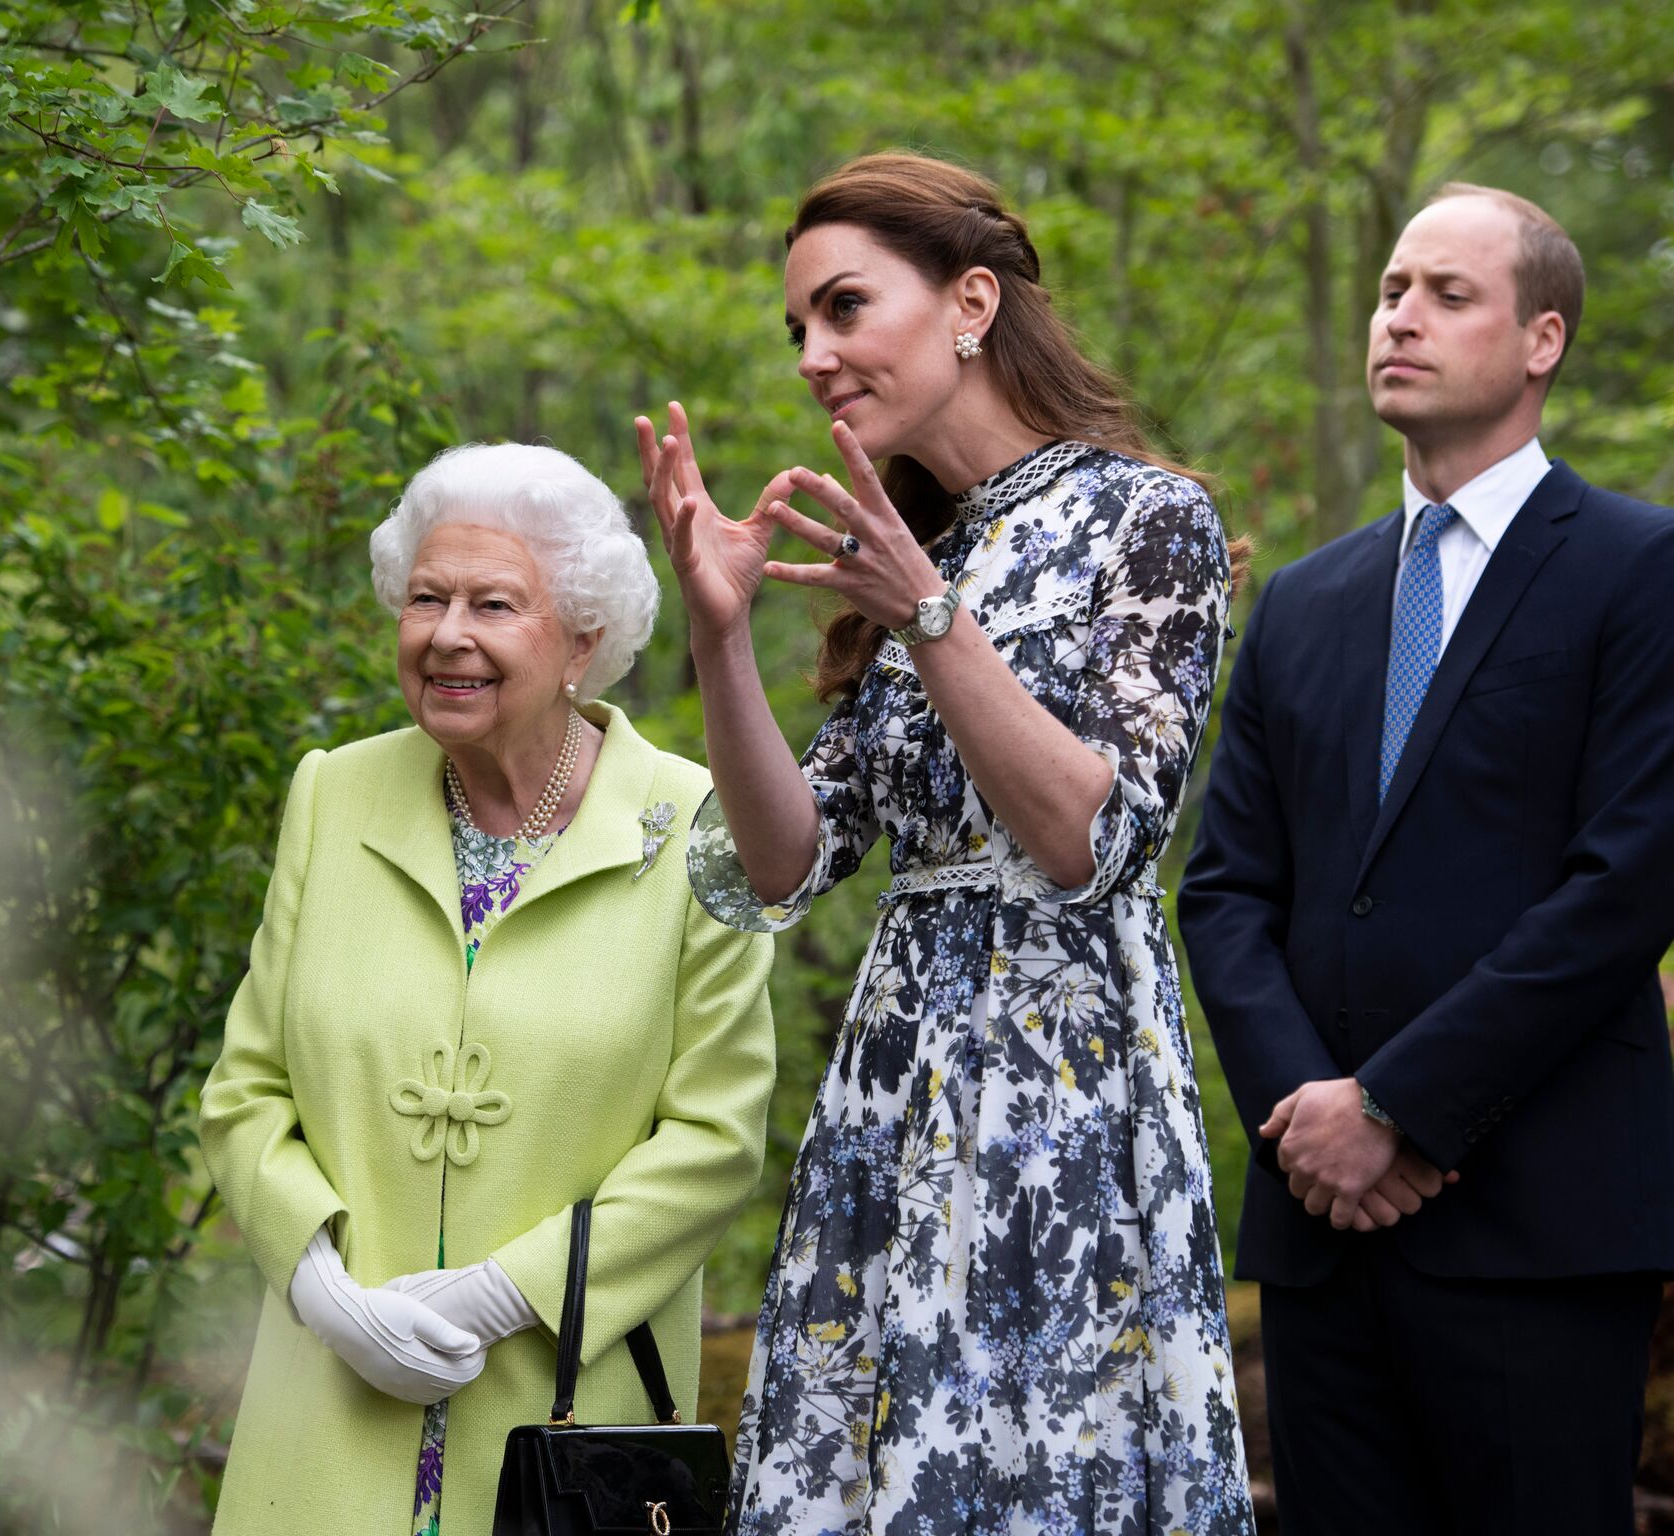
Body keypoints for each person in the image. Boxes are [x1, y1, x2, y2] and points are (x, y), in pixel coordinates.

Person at [639, 152, 1255, 1535]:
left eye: (844, 308)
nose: (812, 354)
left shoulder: (1148, 521)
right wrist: (720, 631)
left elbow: (1088, 838)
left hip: (1062, 1106)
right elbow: (784, 864)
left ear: (971, 301)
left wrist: (932, 617)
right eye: (795, 328)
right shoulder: (916, 551)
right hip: (894, 1085)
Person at [1180, 183, 1674, 1533]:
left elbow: (1626, 883)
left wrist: (1396, 1107)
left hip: (1542, 1220)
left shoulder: (1642, 568)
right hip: (1323, 1231)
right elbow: (1227, 890)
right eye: (1393, 289)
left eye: (1447, 294)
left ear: (1542, 341)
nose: (1399, 315)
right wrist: (1311, 1121)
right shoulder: (1303, 601)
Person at [198, 442, 777, 1536]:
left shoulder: (697, 822)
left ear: (583, 640)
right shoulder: (333, 795)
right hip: (329, 1410)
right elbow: (245, 1090)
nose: (446, 634)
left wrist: (499, 1293)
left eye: (493, 603)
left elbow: (715, 1138)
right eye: (426, 598)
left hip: (559, 1434)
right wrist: (324, 1292)